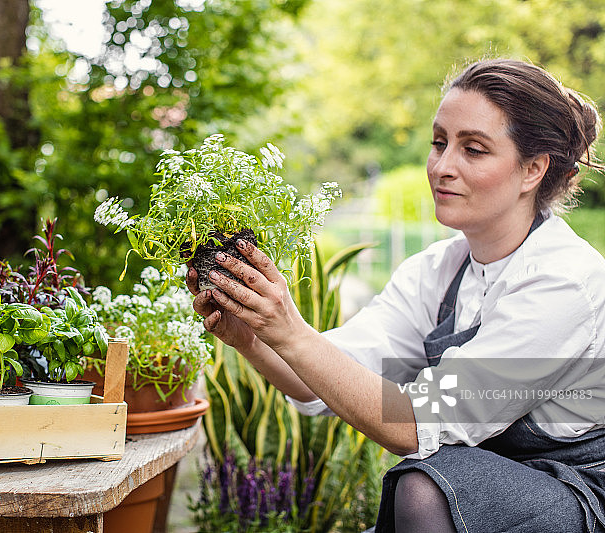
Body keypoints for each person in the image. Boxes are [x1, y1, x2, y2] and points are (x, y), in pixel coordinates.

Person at [186, 58, 605, 532]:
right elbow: (326, 376)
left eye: (474, 149)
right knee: (437, 483)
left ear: (532, 169)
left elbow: (412, 427)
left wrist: (293, 332)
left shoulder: (564, 282)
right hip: (474, 492)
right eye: (439, 142)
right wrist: (257, 338)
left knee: (425, 486)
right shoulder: (438, 270)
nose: (442, 167)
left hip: (579, 496)